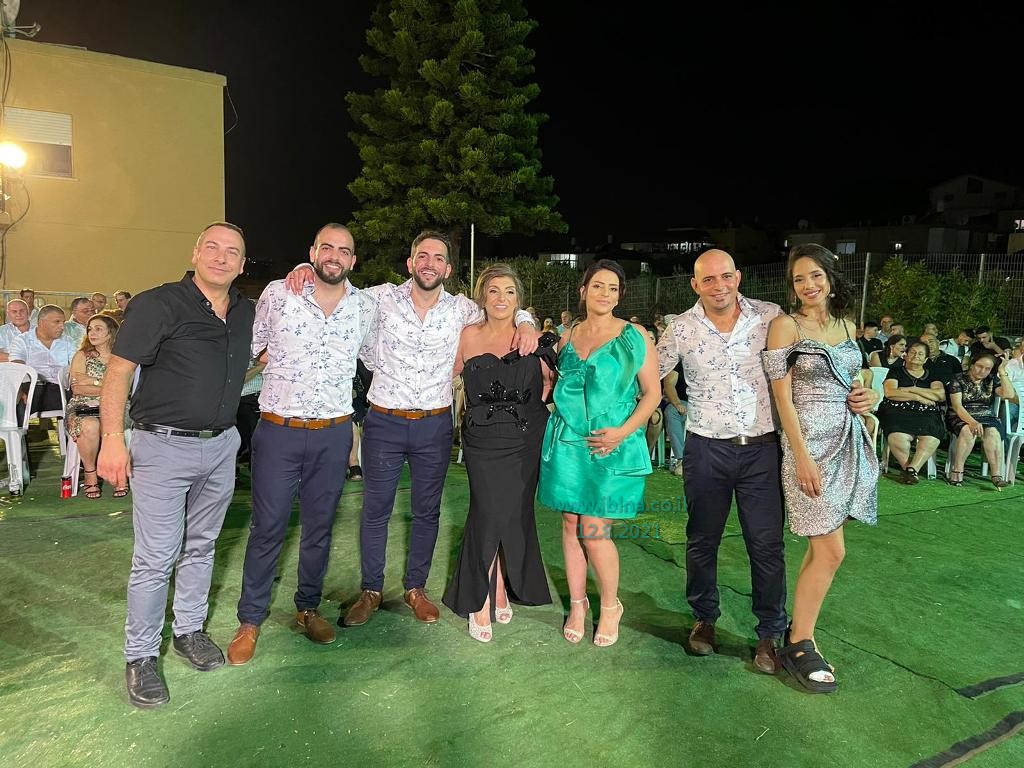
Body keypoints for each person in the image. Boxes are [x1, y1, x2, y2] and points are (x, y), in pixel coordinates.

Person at [286, 230, 538, 628]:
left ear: (448, 269)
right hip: (384, 422)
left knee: (426, 511)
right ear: (410, 262)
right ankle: (371, 590)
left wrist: (525, 320)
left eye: (438, 258)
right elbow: (335, 287)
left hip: (434, 425)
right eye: (423, 256)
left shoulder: (461, 310)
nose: (429, 263)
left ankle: (415, 589)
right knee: (376, 511)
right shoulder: (379, 298)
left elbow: (501, 306)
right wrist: (305, 267)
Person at [97, 221, 253, 709]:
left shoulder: (245, 310)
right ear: (195, 253)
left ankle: (189, 630)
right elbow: (119, 371)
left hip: (222, 445)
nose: (221, 257)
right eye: (213, 247)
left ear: (242, 264)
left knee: (202, 546)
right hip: (162, 447)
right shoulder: (158, 303)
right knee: (156, 557)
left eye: (232, 252)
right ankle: (141, 656)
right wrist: (112, 439)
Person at [227, 223, 375, 666]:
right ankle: (250, 620)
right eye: (326, 247)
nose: (334, 256)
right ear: (312, 251)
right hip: (279, 430)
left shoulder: (365, 307)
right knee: (267, 526)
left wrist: (522, 320)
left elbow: (381, 353)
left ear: (353, 260)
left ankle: (307, 608)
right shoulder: (278, 293)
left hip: (333, 433)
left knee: (319, 528)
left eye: (343, 250)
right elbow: (251, 347)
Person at [656, 249, 792, 674]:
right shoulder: (680, 327)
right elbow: (646, 373)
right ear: (695, 284)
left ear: (739, 277)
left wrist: (855, 393)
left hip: (762, 450)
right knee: (702, 539)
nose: (719, 286)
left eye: (726, 276)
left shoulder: (771, 317)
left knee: (766, 545)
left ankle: (769, 633)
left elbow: (807, 368)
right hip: (706, 449)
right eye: (709, 279)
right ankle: (704, 619)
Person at [763, 243, 879, 694]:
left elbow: (855, 380)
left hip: (845, 439)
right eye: (799, 279)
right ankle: (799, 642)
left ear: (831, 278)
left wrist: (868, 396)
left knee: (825, 550)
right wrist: (801, 456)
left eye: (815, 275)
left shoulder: (847, 325)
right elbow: (782, 397)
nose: (808, 285)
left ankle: (799, 635)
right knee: (831, 551)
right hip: (808, 447)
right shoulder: (785, 326)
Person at [538, 259, 660, 647]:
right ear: (583, 291)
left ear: (620, 295)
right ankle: (578, 605)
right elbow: (556, 386)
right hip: (568, 443)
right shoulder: (566, 337)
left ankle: (610, 606)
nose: (604, 294)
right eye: (597, 286)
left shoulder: (635, 335)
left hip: (612, 444)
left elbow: (652, 394)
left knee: (594, 530)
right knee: (570, 523)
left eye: (612, 288)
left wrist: (622, 433)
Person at [442, 264, 556, 642]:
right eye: (494, 291)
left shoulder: (531, 337)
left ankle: (501, 586)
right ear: (483, 297)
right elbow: (443, 376)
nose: (501, 298)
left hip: (525, 439)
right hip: (482, 441)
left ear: (518, 300)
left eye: (509, 291)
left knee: (514, 514)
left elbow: (555, 382)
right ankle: (478, 599)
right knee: (487, 514)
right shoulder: (468, 336)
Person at [67, 315, 126, 498]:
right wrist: (109, 385)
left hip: (117, 406)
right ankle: (90, 473)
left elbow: (125, 388)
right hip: (83, 406)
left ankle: (120, 473)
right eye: (90, 329)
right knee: (89, 425)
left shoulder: (122, 357)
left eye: (98, 329)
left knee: (117, 423)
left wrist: (92, 381)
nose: (92, 333)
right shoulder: (82, 355)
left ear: (110, 333)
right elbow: (78, 388)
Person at [877, 340, 945, 484]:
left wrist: (911, 389)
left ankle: (912, 470)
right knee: (897, 436)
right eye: (913, 352)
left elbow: (939, 395)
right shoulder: (895, 371)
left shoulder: (933, 374)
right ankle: (908, 468)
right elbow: (890, 392)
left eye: (920, 354)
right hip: (896, 411)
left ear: (925, 359)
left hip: (926, 414)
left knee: (931, 436)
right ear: (906, 355)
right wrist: (918, 397)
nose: (916, 356)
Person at [945, 353, 1017, 489]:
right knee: (967, 430)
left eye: (987, 368)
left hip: (986, 416)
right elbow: (957, 406)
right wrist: (972, 422)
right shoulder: (958, 379)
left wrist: (1002, 371)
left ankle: (996, 475)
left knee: (993, 432)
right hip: (960, 415)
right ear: (972, 364)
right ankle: (957, 471)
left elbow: (1009, 395)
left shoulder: (991, 379)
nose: (982, 371)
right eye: (979, 366)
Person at [9, 304, 76, 414]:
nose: (62, 326)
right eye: (57, 322)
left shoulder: (68, 341)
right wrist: (19, 390)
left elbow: (75, 365)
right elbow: (17, 366)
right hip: (32, 387)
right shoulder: (22, 340)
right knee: (18, 398)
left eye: (63, 322)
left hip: (61, 388)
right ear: (42, 323)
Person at [661, 362, 687, 476]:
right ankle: (681, 460)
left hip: (708, 405)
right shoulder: (679, 362)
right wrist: (677, 403)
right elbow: (669, 385)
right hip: (684, 402)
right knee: (672, 411)